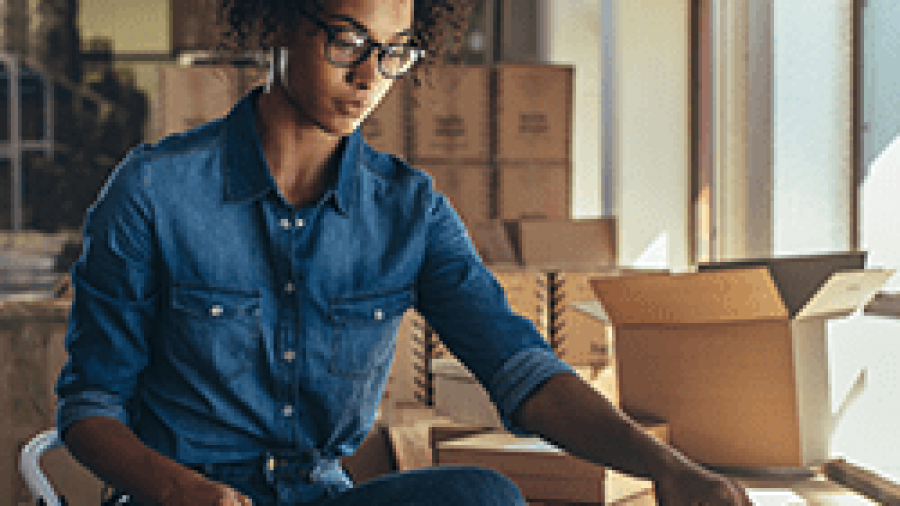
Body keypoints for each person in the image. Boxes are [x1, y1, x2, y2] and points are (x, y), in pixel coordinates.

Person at [55, 0, 754, 504]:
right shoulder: (154, 190)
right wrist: (186, 494)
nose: (370, 76)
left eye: (394, 52)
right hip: (176, 498)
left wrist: (668, 469)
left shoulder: (410, 211)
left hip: (320, 496)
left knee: (483, 496)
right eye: (347, 40)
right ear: (277, 21)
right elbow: (89, 410)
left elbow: (524, 375)